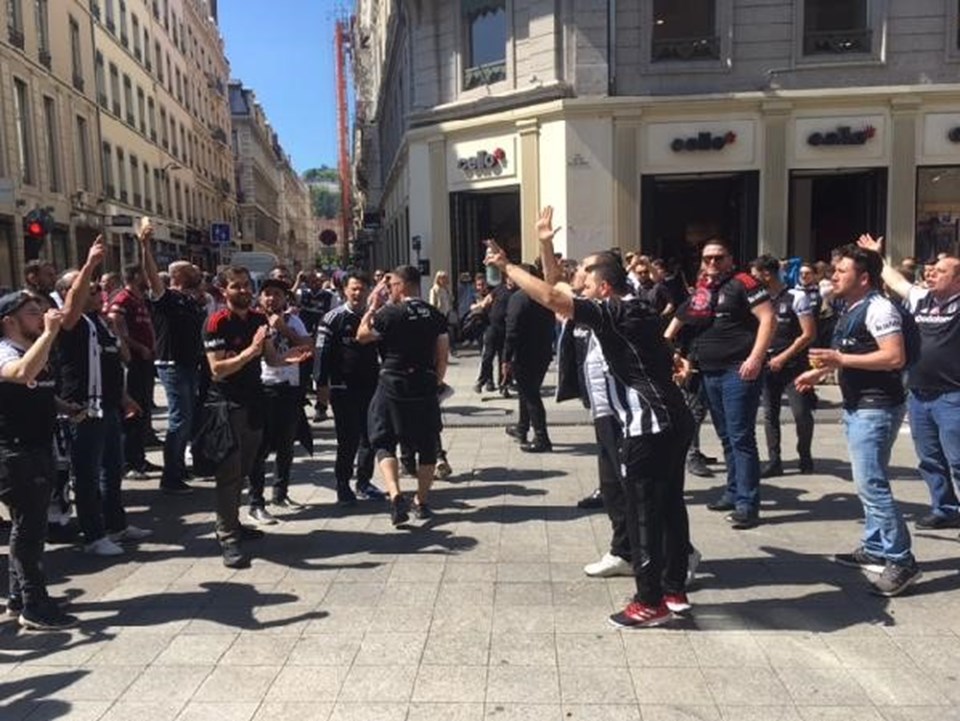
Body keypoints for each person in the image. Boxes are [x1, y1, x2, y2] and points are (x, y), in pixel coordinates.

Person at [484, 236, 695, 628]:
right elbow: (557, 291)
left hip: (647, 424)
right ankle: (673, 589)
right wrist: (543, 245)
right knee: (668, 504)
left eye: (584, 276)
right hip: (668, 419)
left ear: (603, 286)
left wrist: (508, 267)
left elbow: (553, 297)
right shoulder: (635, 308)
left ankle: (650, 601)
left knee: (644, 510)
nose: (576, 280)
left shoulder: (614, 310)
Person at [795, 243, 921, 597]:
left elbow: (894, 357)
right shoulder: (850, 306)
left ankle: (902, 560)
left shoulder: (880, 309)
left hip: (876, 407)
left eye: (841, 271)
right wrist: (819, 373)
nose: (833, 275)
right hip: (860, 405)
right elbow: (851, 354)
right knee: (867, 480)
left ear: (863, 278)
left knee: (872, 484)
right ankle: (875, 546)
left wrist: (838, 359)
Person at [203, 266, 312, 568]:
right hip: (225, 406)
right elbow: (217, 369)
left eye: (246, 286)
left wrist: (289, 358)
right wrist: (250, 352)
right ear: (223, 290)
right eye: (236, 286)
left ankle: (234, 523)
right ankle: (227, 536)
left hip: (254, 403)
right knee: (228, 472)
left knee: (246, 468)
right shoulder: (216, 322)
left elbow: (271, 358)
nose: (243, 291)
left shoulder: (256, 319)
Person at [671, 240, 775, 529]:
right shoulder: (705, 289)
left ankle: (747, 503)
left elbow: (768, 319)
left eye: (719, 258)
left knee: (741, 437)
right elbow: (684, 316)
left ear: (730, 259)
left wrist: (755, 358)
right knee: (726, 436)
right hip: (709, 370)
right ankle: (733, 492)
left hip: (737, 370)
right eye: (708, 259)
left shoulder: (745, 282)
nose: (713, 264)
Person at [858, 234, 960, 531]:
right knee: (929, 458)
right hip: (919, 394)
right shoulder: (921, 298)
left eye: (940, 271)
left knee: (957, 460)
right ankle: (945, 508)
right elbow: (895, 280)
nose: (931, 273)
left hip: (953, 395)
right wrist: (877, 256)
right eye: (931, 270)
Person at [58, 239, 151, 556]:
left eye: (99, 288)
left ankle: (116, 525)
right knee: (87, 474)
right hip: (83, 409)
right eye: (91, 288)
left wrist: (125, 397)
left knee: (113, 470)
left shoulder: (102, 322)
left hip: (110, 405)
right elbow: (71, 309)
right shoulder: (68, 323)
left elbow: (119, 359)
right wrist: (89, 265)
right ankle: (93, 535)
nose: (99, 292)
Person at [0, 292, 79, 630]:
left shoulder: (33, 347)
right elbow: (20, 373)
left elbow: (39, 387)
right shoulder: (5, 350)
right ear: (9, 322)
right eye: (33, 313)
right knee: (29, 530)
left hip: (38, 447)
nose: (41, 316)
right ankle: (34, 604)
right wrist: (48, 333)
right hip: (15, 452)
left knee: (28, 525)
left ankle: (19, 599)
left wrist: (64, 407)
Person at [356, 266, 450, 525]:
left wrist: (372, 308)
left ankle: (396, 495)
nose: (389, 289)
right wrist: (437, 383)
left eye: (392, 284)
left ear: (403, 285)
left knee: (384, 440)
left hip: (392, 382)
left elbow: (362, 336)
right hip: (424, 383)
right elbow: (443, 357)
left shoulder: (389, 314)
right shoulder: (434, 315)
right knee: (427, 444)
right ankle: (421, 501)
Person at [138, 230, 206, 495]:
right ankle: (170, 476)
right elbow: (151, 276)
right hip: (172, 364)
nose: (197, 270)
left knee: (188, 419)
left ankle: (178, 468)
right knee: (179, 420)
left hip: (189, 364)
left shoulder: (190, 299)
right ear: (178, 276)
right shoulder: (166, 297)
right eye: (191, 269)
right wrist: (145, 247)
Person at [314, 271, 386, 505]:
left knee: (370, 437)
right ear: (345, 290)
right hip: (342, 387)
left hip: (371, 386)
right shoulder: (332, 318)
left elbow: (384, 351)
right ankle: (343, 484)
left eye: (362, 289)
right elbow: (321, 355)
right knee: (348, 439)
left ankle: (363, 481)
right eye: (353, 288)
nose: (358, 293)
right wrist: (321, 388)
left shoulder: (374, 317)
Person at [246, 278, 314, 522]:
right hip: (263, 388)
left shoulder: (293, 320)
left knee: (286, 445)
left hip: (289, 388)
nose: (271, 298)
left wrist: (285, 329)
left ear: (286, 298)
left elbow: (309, 347)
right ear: (259, 297)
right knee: (260, 448)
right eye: (267, 293)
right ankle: (255, 501)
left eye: (277, 294)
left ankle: (280, 492)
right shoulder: (253, 320)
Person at [751, 255, 817, 477]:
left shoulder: (796, 297)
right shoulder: (757, 300)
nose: (753, 281)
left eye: (756, 276)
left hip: (793, 367)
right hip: (767, 365)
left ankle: (805, 454)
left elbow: (808, 334)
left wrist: (784, 357)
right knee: (770, 414)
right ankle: (774, 460)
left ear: (767, 274)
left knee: (801, 413)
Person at [108, 264, 160, 480]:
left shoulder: (140, 300)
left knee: (144, 409)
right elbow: (116, 328)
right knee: (133, 411)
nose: (149, 279)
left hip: (146, 361)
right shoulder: (122, 300)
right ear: (136, 276)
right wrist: (137, 347)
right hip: (134, 362)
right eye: (145, 274)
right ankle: (129, 462)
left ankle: (139, 458)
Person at [503, 265, 555, 452]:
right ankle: (522, 428)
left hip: (524, 354)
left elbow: (512, 331)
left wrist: (506, 358)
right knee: (527, 392)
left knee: (531, 395)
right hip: (542, 352)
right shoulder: (545, 297)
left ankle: (542, 438)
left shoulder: (519, 298)